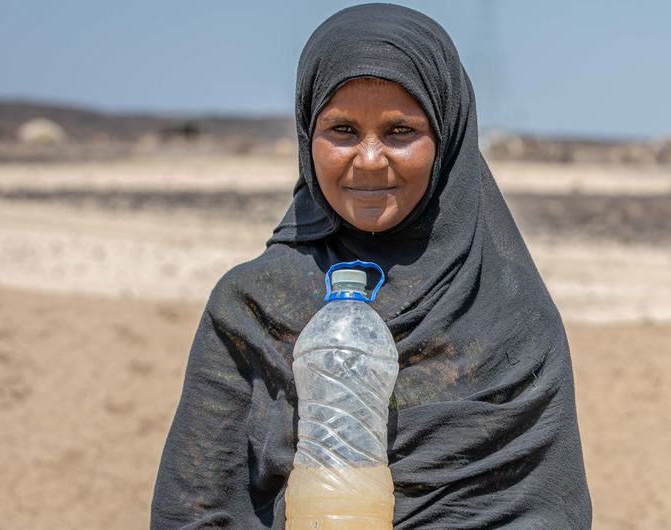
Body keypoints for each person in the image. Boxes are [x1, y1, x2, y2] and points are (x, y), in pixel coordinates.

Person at [151, 4, 592, 528]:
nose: (368, 160)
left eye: (400, 131)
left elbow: (541, 510)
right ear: (305, 137)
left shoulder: (509, 316)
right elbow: (196, 507)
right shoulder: (253, 305)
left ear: (448, 139)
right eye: (341, 130)